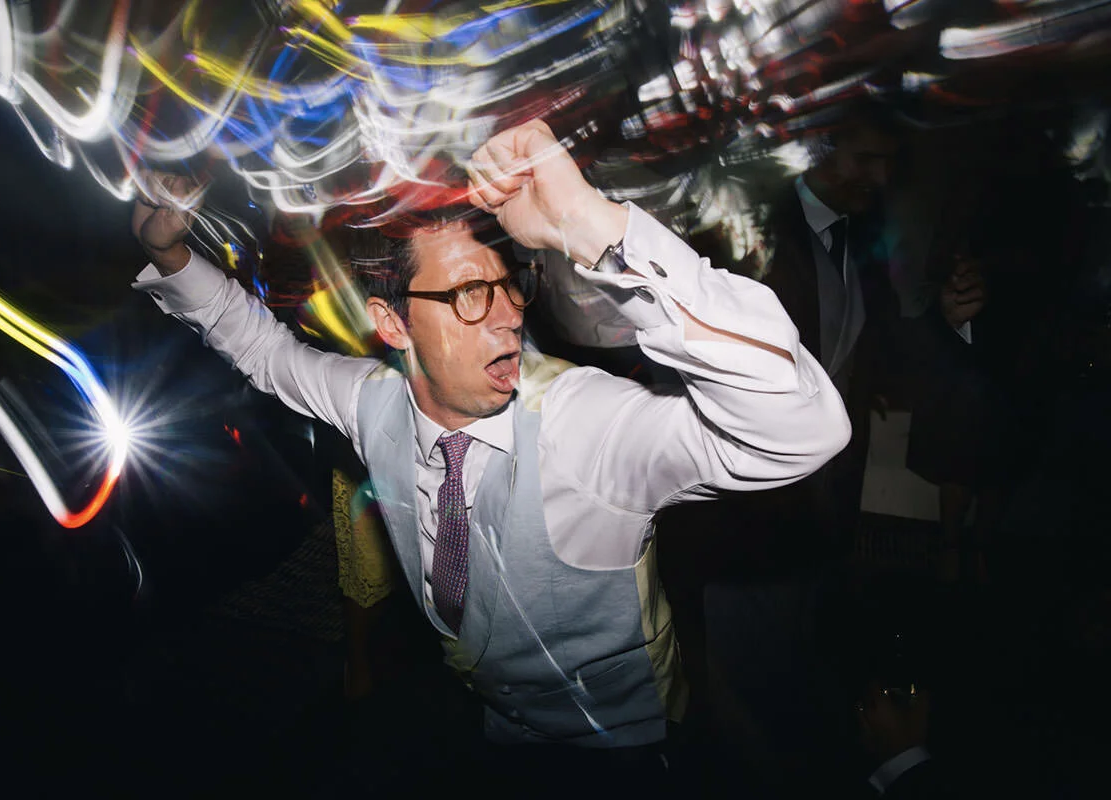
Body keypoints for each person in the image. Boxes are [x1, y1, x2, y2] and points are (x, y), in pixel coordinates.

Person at [129, 118, 850, 786]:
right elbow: (262, 348)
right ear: (392, 324)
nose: (507, 317)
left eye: (508, 286)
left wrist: (591, 225)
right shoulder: (372, 401)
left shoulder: (581, 425)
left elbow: (798, 428)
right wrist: (168, 253)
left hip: (624, 757)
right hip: (489, 730)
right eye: (470, 294)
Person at [758, 100, 904, 553]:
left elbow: (879, 329)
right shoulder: (757, 226)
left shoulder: (868, 231)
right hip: (764, 493)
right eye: (866, 159)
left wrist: (953, 320)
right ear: (818, 148)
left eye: (888, 163)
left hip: (838, 480)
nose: (881, 178)